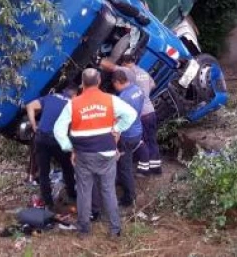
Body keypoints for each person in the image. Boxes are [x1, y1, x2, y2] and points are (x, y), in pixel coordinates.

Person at [53, 68, 138, 238]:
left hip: (83, 155)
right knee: (108, 191)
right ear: (99, 81)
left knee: (84, 192)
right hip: (106, 154)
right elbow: (132, 114)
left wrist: (70, 147)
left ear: (82, 84)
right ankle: (115, 230)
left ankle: (84, 230)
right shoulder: (111, 100)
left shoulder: (73, 104)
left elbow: (58, 130)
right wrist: (117, 129)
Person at [101, 55, 160, 175]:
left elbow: (112, 67)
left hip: (143, 113)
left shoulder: (128, 72)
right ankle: (156, 167)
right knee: (152, 140)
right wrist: (144, 93)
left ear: (125, 63)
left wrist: (99, 61)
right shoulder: (143, 72)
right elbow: (154, 85)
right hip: (151, 111)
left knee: (143, 141)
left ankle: (145, 169)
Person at [25, 85, 78, 208]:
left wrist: (34, 125)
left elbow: (30, 106)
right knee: (67, 167)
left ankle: (48, 203)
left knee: (44, 172)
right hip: (57, 140)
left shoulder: (50, 97)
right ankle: (72, 194)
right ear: (74, 95)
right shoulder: (71, 104)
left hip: (41, 138)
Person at [111, 69, 145, 207]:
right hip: (137, 131)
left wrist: (114, 144)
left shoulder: (123, 98)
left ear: (118, 82)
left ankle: (129, 197)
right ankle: (121, 180)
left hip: (127, 135)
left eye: (114, 84)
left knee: (125, 166)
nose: (114, 87)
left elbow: (118, 124)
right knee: (124, 163)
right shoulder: (138, 89)